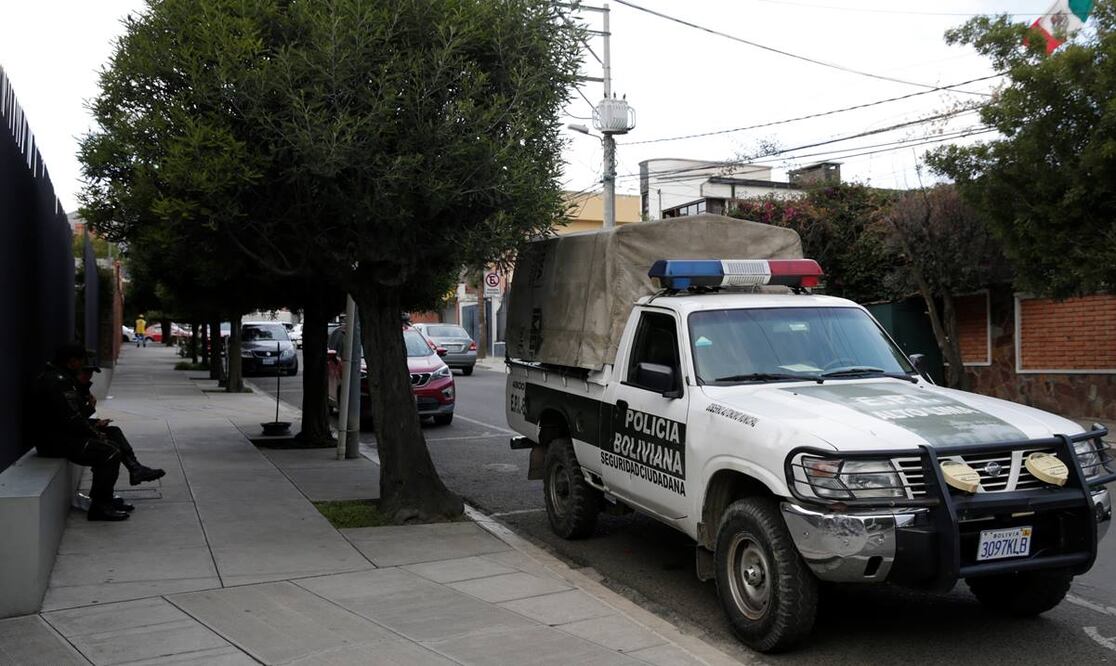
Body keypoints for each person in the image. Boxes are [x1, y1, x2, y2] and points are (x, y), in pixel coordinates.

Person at [31, 344, 165, 521]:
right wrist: (94, 431)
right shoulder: (58, 381)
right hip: (54, 441)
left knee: (112, 432)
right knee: (109, 451)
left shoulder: (63, 379)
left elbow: (72, 415)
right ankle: (100, 506)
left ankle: (134, 470)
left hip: (60, 435)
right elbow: (72, 419)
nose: (83, 367)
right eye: (81, 362)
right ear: (72, 362)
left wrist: (94, 423)